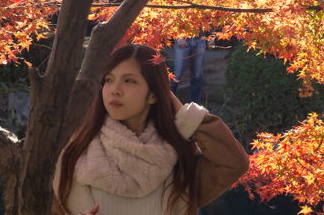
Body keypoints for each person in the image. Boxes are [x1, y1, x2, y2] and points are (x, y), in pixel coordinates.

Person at [52, 44, 249, 215]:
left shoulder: (180, 159)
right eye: (109, 80)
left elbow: (233, 163)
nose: (115, 89)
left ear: (154, 95)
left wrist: (185, 117)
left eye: (129, 80)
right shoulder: (74, 152)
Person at [169, 36, 206, 104]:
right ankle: (168, 103)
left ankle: (194, 106)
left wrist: (211, 36)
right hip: (183, 38)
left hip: (200, 39)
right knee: (176, 76)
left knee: (197, 76)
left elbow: (209, 25)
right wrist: (178, 38)